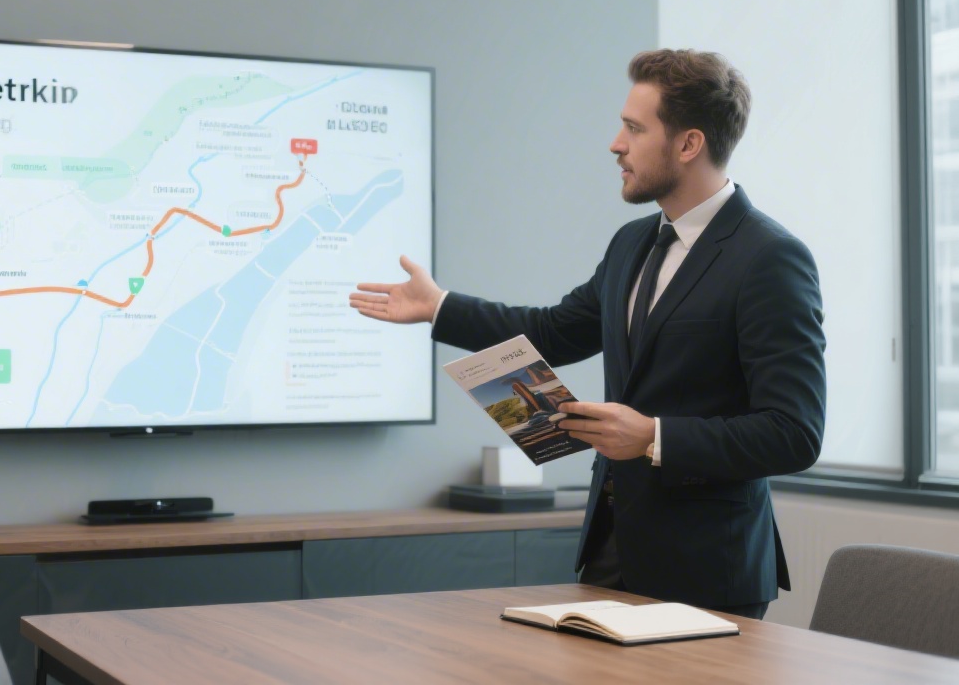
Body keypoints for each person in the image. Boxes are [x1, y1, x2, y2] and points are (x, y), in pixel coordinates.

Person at [349, 49, 825, 620]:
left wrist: (654, 436)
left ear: (689, 144)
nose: (615, 144)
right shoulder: (631, 243)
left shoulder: (769, 258)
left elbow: (795, 432)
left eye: (633, 128)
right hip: (610, 552)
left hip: (710, 570)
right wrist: (440, 308)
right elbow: (552, 331)